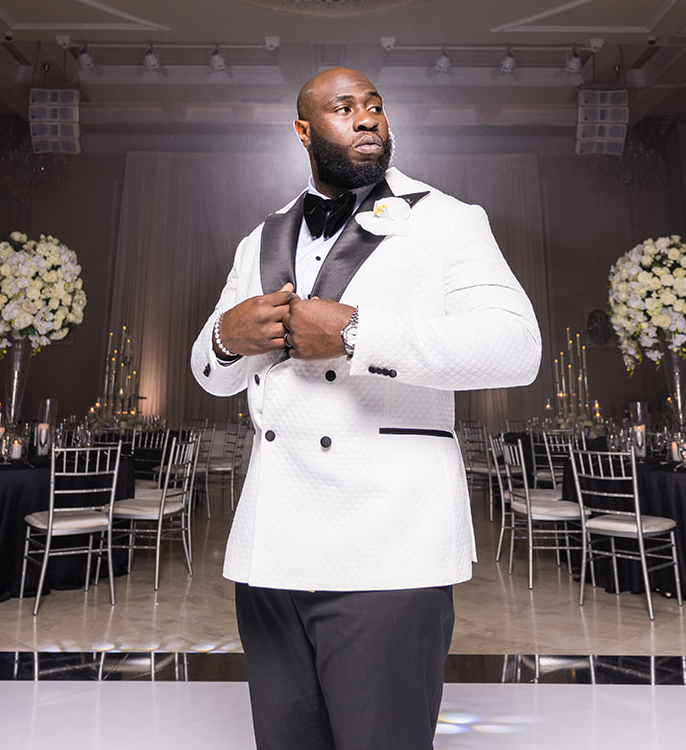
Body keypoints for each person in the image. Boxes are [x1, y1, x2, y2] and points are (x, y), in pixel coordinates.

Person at [190, 67, 541, 750]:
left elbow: (516, 348)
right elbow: (212, 375)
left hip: (389, 548)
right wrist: (226, 339)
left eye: (375, 105)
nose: (368, 117)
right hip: (272, 550)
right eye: (344, 107)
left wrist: (356, 334)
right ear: (303, 130)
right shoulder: (259, 238)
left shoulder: (446, 220)